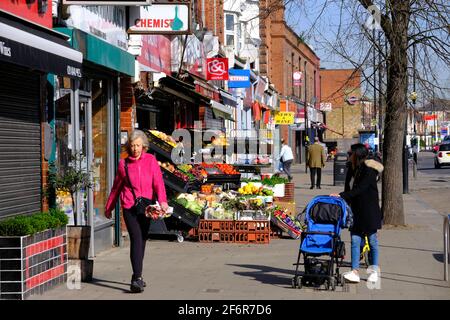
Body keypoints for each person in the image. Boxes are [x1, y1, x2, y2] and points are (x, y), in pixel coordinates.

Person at [105, 130, 168, 293]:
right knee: (136, 239)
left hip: (147, 208)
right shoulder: (123, 164)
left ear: (144, 146)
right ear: (128, 146)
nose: (135, 149)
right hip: (129, 207)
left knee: (143, 240)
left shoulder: (151, 160)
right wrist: (109, 207)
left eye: (138, 145)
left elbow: (158, 183)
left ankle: (138, 274)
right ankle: (137, 278)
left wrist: (163, 201)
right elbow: (116, 187)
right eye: (132, 146)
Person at [331, 143, 384, 284]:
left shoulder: (368, 170)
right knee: (355, 240)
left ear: (357, 154)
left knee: (372, 240)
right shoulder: (352, 168)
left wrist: (342, 195)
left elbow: (360, 189)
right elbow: (349, 186)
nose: (348, 155)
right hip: (356, 210)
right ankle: (354, 271)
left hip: (369, 211)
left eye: (350, 153)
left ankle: (374, 271)